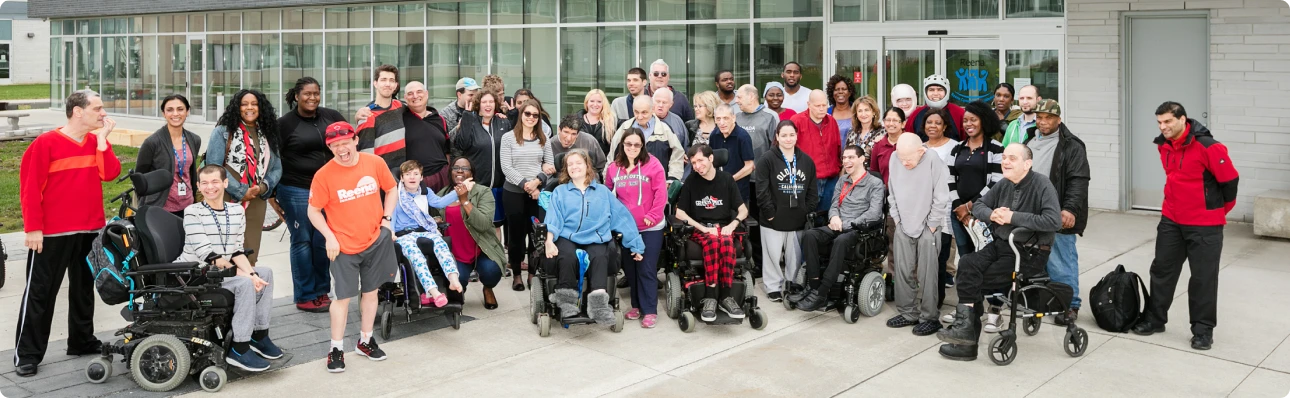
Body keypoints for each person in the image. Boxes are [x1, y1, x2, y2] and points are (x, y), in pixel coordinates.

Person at [14, 90, 121, 378]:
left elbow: (110, 173)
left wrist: (102, 142)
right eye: (97, 108)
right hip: (51, 234)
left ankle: (81, 341)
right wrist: (33, 228)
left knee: (84, 290)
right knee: (40, 293)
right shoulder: (45, 144)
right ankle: (28, 355)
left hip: (89, 229)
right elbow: (30, 189)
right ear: (78, 111)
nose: (103, 113)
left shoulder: (94, 142)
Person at [938, 143, 1062, 361]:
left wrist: (1012, 217)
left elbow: (1053, 221)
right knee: (967, 264)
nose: (1005, 162)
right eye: (1004, 157)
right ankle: (965, 335)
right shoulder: (1004, 184)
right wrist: (993, 214)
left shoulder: (1042, 185)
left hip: (1029, 252)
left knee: (973, 279)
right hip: (1001, 245)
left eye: (1012, 158)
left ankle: (967, 339)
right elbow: (978, 207)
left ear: (1027, 163)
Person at [1132, 102, 1239, 351]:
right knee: (1162, 271)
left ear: (1182, 119)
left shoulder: (1209, 147)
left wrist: (1218, 211)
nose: (1163, 127)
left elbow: (1230, 181)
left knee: (1203, 278)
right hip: (1172, 219)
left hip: (1205, 225)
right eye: (1159, 122)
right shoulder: (1164, 146)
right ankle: (1155, 320)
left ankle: (1202, 331)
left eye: (1168, 121)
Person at [308, 122, 399, 373]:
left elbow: (391, 190)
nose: (341, 149)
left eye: (345, 142)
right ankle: (336, 348)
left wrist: (387, 221)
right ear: (329, 147)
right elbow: (313, 210)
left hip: (375, 240)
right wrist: (329, 236)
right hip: (343, 246)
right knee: (342, 298)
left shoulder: (375, 163)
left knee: (371, 293)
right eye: (334, 145)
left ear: (355, 140)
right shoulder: (324, 175)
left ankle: (366, 340)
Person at [180, 165, 282, 372]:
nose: (210, 187)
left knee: (265, 273)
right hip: (196, 273)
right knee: (245, 282)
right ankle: (239, 348)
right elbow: (209, 256)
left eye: (215, 182)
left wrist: (252, 273)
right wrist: (247, 276)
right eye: (205, 183)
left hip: (220, 272)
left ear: (225, 183)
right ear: (198, 186)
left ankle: (259, 335)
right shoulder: (192, 212)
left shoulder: (236, 211)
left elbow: (236, 251)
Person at [544, 149, 646, 324]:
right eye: (570, 164)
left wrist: (636, 245)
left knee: (599, 256)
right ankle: (567, 303)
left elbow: (622, 218)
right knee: (567, 256)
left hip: (595, 236)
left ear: (587, 166)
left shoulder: (602, 192)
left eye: (578, 163)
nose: (574, 167)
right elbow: (552, 219)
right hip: (568, 236)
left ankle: (598, 306)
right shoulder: (560, 192)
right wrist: (549, 241)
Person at [277, 77, 348, 312]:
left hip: (329, 189)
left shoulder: (331, 116)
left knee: (322, 241)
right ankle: (306, 294)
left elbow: (348, 143)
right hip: (297, 189)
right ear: (296, 96)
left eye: (316, 93)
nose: (312, 98)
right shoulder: (285, 124)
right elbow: (272, 161)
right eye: (307, 94)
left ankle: (321, 291)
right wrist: (271, 195)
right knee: (303, 241)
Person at [1022, 99, 1090, 326]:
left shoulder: (1071, 145)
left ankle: (1070, 305)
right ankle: (1043, 301)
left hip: (1058, 212)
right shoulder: (1029, 139)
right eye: (1039, 117)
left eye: (1048, 118)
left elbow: (1078, 181)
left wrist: (1069, 209)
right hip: (1031, 213)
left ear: (1058, 120)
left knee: (1061, 259)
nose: (1043, 122)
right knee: (1036, 259)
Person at [792, 145, 884, 311]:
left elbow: (874, 213)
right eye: (844, 158)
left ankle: (822, 291)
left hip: (859, 229)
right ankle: (812, 286)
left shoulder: (875, 183)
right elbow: (835, 203)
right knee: (810, 235)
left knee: (841, 241)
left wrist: (847, 224)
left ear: (862, 159)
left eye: (851, 157)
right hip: (837, 224)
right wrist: (834, 217)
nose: (847, 161)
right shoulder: (843, 180)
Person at [939, 102, 1005, 331]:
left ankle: (994, 309)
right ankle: (970, 308)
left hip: (984, 215)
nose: (968, 124)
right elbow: (949, 179)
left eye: (973, 120)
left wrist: (970, 206)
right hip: (959, 215)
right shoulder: (957, 149)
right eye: (965, 120)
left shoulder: (996, 149)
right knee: (966, 262)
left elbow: (996, 183)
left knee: (990, 262)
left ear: (984, 121)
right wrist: (959, 206)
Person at [205, 89, 283, 265]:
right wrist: (241, 191)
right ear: (237, 107)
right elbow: (214, 166)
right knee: (223, 252)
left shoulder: (268, 133)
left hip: (256, 198)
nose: (250, 108)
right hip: (226, 197)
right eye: (244, 104)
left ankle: (246, 288)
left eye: (254, 104)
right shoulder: (223, 131)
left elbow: (277, 167)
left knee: (250, 251)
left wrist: (263, 188)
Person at [674, 144, 749, 322]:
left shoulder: (726, 179)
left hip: (723, 227)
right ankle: (710, 296)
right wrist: (703, 228)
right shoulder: (691, 181)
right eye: (693, 163)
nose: (697, 166)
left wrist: (733, 224)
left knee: (725, 241)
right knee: (714, 241)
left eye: (700, 160)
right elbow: (679, 212)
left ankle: (726, 297)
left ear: (711, 159)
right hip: (700, 228)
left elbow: (743, 210)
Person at [886, 133, 951, 336]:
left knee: (927, 273)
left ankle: (929, 317)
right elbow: (892, 191)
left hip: (927, 226)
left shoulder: (933, 160)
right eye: (901, 158)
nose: (904, 163)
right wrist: (897, 219)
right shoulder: (895, 158)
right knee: (903, 271)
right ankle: (908, 313)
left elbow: (941, 196)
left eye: (909, 159)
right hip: (903, 223)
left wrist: (932, 224)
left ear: (921, 151)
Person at [604, 129, 669, 328]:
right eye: (628, 144)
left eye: (636, 144)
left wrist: (653, 215)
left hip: (650, 227)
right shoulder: (614, 168)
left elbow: (661, 193)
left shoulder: (653, 164)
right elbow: (607, 193)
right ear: (622, 145)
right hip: (626, 228)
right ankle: (636, 305)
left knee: (646, 268)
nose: (632, 148)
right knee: (630, 269)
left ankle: (649, 310)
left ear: (642, 146)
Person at [753, 120, 819, 303]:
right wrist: (770, 213)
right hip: (773, 218)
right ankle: (773, 287)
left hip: (797, 217)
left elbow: (813, 191)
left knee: (794, 256)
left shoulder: (806, 160)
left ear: (797, 136)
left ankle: (791, 283)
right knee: (772, 254)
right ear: (777, 137)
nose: (788, 139)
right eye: (784, 135)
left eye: (792, 135)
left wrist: (807, 211)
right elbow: (761, 191)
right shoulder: (767, 159)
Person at [434, 157, 506, 310]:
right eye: (456, 167)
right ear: (450, 172)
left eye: (465, 168)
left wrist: (464, 200)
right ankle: (461, 288)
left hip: (481, 249)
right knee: (456, 279)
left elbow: (484, 224)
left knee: (492, 270)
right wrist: (436, 220)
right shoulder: (441, 195)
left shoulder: (483, 192)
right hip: (455, 252)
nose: (460, 170)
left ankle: (488, 288)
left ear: (472, 173)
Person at [392, 160, 465, 307]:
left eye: (415, 174)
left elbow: (439, 203)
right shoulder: (395, 194)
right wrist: (391, 232)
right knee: (415, 255)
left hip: (423, 231)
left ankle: (453, 280)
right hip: (403, 234)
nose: (412, 177)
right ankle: (434, 292)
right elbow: (391, 215)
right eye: (408, 174)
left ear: (421, 177)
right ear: (402, 178)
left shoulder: (426, 192)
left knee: (441, 244)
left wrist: (458, 191)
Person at [502, 99, 556, 292]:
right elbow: (506, 167)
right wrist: (528, 185)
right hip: (514, 193)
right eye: (528, 114)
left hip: (536, 194)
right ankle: (517, 273)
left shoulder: (543, 138)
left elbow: (550, 165)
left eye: (535, 115)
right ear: (521, 115)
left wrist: (537, 182)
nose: (531, 118)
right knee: (515, 237)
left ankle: (533, 273)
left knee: (536, 235)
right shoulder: (508, 138)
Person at [452, 90, 514, 226]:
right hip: (476, 186)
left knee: (495, 226)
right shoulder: (471, 122)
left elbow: (514, 145)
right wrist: (467, 119)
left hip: (498, 186)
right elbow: (461, 145)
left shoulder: (503, 123)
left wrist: (512, 116)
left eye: (491, 101)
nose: (488, 105)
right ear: (478, 105)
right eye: (484, 102)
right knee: (476, 224)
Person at [136, 94, 202, 218]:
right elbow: (140, 178)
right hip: (160, 208)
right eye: (170, 110)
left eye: (180, 109)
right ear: (163, 113)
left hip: (188, 205)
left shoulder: (194, 140)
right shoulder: (152, 142)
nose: (175, 114)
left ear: (187, 112)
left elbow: (190, 171)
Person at [922, 107, 960, 301]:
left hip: (944, 207)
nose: (933, 126)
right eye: (929, 122)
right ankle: (927, 293)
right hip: (923, 207)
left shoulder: (955, 146)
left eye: (938, 122)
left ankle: (937, 298)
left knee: (941, 252)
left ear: (945, 126)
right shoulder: (920, 147)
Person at [609, 95, 685, 180]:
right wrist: (608, 180)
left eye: (644, 112)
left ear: (652, 109)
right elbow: (612, 156)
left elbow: (677, 155)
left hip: (657, 183)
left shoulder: (665, 130)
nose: (640, 116)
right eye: (636, 112)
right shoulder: (624, 128)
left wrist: (672, 179)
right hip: (628, 183)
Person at [790, 90, 842, 211]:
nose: (822, 109)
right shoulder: (796, 121)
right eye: (818, 106)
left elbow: (838, 148)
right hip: (807, 180)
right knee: (807, 217)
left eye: (824, 105)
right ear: (809, 104)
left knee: (827, 216)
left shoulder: (832, 121)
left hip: (831, 179)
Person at [396, 81, 453, 191]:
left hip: (442, 177)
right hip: (414, 180)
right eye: (410, 93)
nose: (415, 96)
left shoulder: (439, 119)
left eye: (419, 92)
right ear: (405, 97)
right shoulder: (400, 119)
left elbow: (447, 150)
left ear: (426, 94)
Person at [709, 105, 756, 203]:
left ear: (733, 118)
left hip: (738, 190)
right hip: (718, 190)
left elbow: (750, 166)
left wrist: (729, 180)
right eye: (718, 119)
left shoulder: (743, 137)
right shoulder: (714, 135)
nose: (722, 123)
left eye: (726, 118)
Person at [905, 74, 965, 142]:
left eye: (940, 90)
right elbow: (908, 140)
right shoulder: (916, 114)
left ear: (947, 91)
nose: (935, 93)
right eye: (931, 90)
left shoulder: (959, 113)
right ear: (925, 92)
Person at [734, 84, 779, 159]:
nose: (736, 101)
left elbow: (776, 146)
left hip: (762, 168)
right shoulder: (736, 117)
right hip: (740, 169)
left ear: (751, 96)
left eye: (739, 97)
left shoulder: (770, 116)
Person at [870, 107, 905, 184]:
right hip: (885, 192)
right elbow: (874, 172)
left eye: (895, 120)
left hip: (907, 191)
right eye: (888, 120)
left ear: (903, 124)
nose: (891, 123)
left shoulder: (910, 142)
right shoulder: (878, 144)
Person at [580, 89, 617, 155]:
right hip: (581, 162)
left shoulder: (612, 122)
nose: (595, 104)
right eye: (592, 101)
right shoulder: (576, 121)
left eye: (599, 102)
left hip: (604, 163)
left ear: (603, 104)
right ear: (586, 103)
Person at [850, 96, 883, 167]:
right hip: (853, 175)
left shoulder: (883, 132)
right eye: (860, 111)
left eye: (867, 110)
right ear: (856, 114)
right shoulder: (852, 132)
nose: (863, 114)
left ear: (874, 112)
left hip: (873, 175)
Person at [826, 75, 857, 146]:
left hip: (855, 155)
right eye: (837, 89)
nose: (840, 92)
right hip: (833, 155)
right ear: (832, 93)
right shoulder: (826, 114)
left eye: (844, 89)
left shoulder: (858, 111)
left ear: (849, 92)